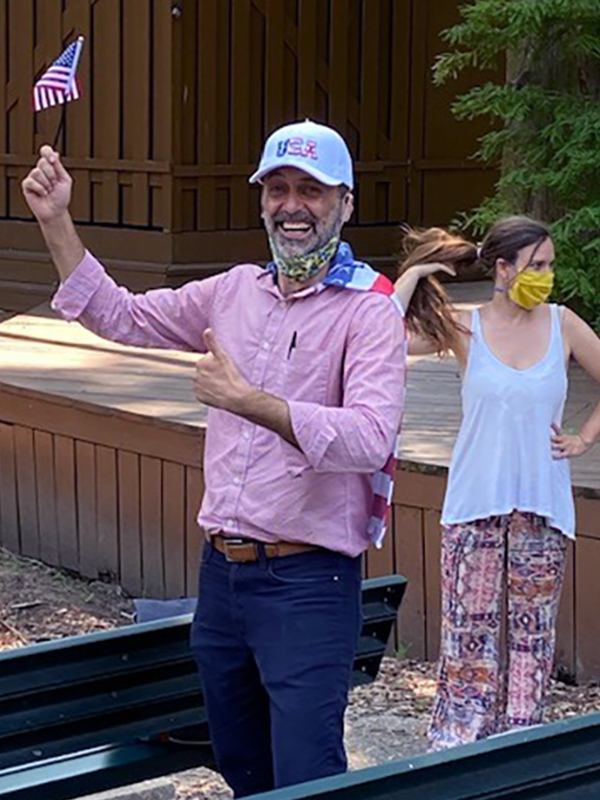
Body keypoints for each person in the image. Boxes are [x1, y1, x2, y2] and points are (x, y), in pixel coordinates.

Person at [21, 120, 406, 795]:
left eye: (311, 191)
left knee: (306, 780)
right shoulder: (233, 291)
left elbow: (369, 438)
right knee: (244, 770)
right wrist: (56, 221)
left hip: (309, 583)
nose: (293, 205)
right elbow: (122, 316)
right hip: (224, 580)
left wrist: (249, 400)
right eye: (278, 188)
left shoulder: (369, 311)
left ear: (345, 202)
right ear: (261, 200)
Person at [394, 218, 600, 751]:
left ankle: (520, 745)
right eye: (536, 265)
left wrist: (584, 439)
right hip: (474, 503)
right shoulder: (466, 328)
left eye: (551, 265)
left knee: (534, 639)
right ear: (503, 269)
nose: (546, 275)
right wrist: (413, 277)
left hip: (542, 505)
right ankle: (459, 746)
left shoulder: (564, 324)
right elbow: (384, 340)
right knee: (468, 635)